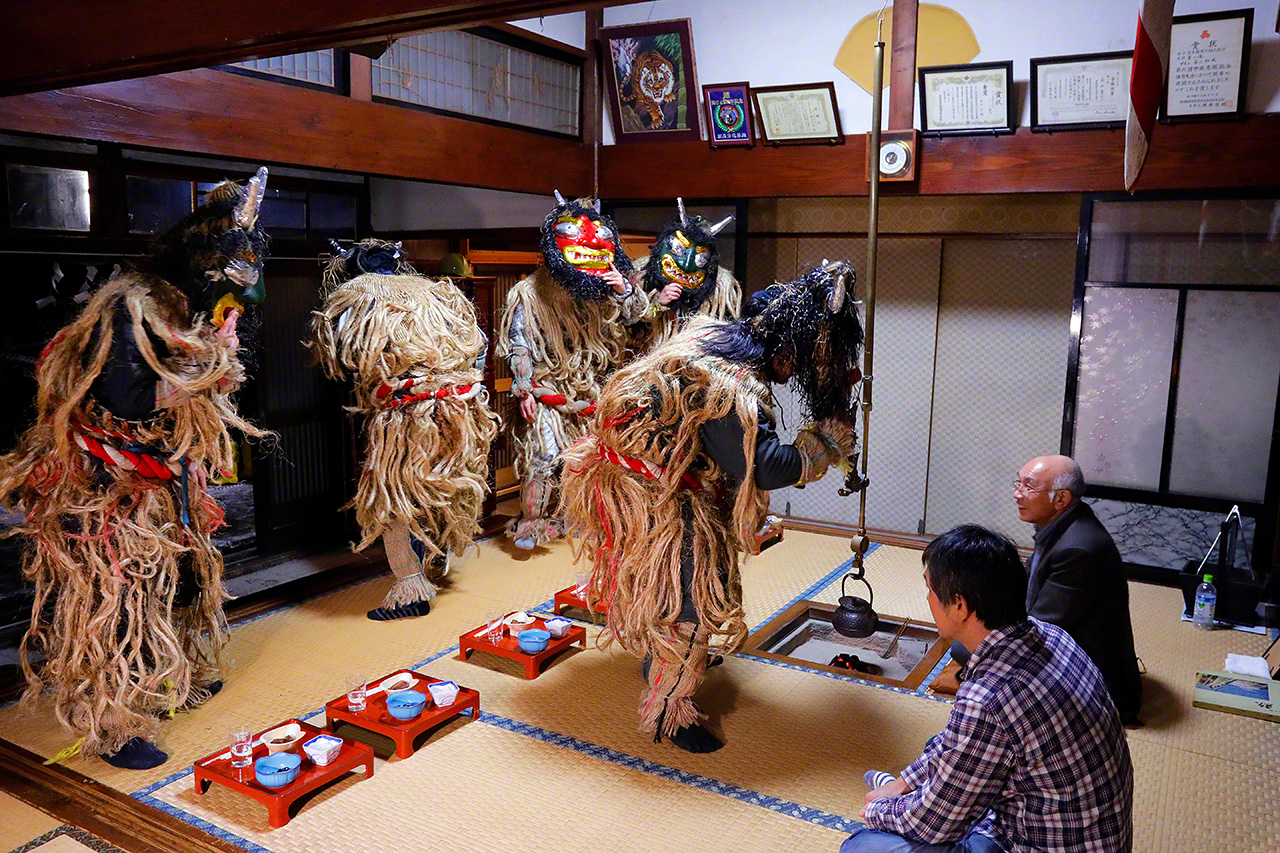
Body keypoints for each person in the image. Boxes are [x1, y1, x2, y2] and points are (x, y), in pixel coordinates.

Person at [0, 168, 273, 769]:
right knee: (114, 603)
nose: (233, 295)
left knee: (168, 588)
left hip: (160, 477)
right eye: (229, 277)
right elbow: (128, 399)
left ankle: (168, 682)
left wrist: (215, 360)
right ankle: (111, 725)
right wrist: (208, 372)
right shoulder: (133, 308)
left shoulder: (187, 311)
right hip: (104, 490)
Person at [561, 261, 862, 753]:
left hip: (646, 478)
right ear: (785, 349)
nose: (800, 371)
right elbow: (762, 466)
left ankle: (661, 655)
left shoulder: (715, 337)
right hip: (655, 496)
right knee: (691, 603)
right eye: (803, 358)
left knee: (677, 593)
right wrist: (824, 443)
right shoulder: (728, 386)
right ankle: (668, 711)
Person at [848, 524, 1134, 853]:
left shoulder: (987, 698)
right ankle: (918, 792)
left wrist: (877, 809)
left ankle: (928, 803)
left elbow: (931, 824)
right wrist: (904, 782)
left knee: (863, 846)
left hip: (1034, 842)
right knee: (949, 745)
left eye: (930, 589)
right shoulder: (1053, 636)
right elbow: (956, 742)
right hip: (1083, 831)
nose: (926, 598)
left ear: (960, 606)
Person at [310, 239, 497, 621]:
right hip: (461, 408)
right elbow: (480, 343)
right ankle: (436, 556)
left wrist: (390, 380)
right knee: (440, 488)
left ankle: (411, 589)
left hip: (407, 417)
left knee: (394, 501)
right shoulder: (435, 293)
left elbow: (338, 356)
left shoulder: (355, 297)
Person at [931, 456, 1143, 726]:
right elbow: (1024, 586)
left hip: (1091, 679)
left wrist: (973, 656)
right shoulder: (1064, 524)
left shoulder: (1079, 549)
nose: (1017, 493)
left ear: (1061, 499)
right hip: (1064, 644)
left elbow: (1044, 627)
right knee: (966, 638)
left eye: (1029, 487)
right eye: (1018, 483)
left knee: (963, 645)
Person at [496, 191, 648, 550]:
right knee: (542, 455)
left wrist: (623, 290)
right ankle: (532, 521)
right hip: (550, 390)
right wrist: (523, 386)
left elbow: (638, 320)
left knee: (593, 461)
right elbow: (519, 342)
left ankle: (578, 518)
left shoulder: (602, 289)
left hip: (593, 392)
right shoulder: (527, 293)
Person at [627, 197, 740, 354]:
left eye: (701, 258)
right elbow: (628, 319)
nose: (686, 264)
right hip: (647, 355)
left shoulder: (720, 288)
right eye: (678, 249)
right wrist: (657, 304)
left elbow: (722, 329)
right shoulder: (640, 276)